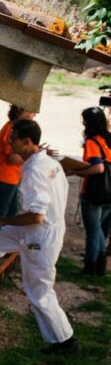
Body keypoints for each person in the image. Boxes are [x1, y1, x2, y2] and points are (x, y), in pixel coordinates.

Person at [0, 119, 76, 352]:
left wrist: (1, 220)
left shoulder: (34, 172)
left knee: (39, 291)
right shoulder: (48, 161)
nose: (10, 144)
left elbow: (36, 216)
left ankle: (64, 340)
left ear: (27, 142)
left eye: (14, 139)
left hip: (40, 236)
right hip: (31, 230)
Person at [65, 107, 111, 275]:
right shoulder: (109, 138)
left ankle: (91, 267)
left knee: (93, 231)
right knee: (99, 229)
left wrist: (76, 172)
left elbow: (98, 168)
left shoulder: (92, 142)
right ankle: (100, 266)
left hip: (95, 193)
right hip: (109, 193)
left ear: (87, 123)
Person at [0, 104, 36, 219]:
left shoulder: (14, 126)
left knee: (12, 210)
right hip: (5, 177)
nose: (34, 115)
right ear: (21, 111)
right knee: (0, 215)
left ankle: (0, 233)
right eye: (31, 111)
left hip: (7, 176)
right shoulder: (13, 129)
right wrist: (34, 153)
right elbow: (13, 159)